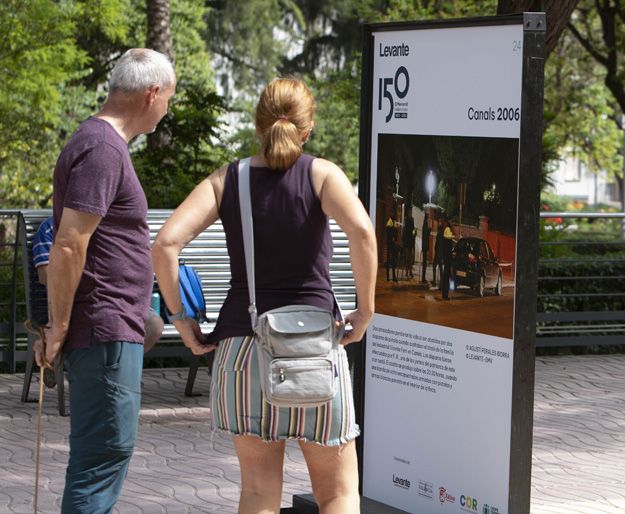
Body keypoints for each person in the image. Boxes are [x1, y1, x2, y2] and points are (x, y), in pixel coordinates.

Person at [152, 77, 376, 514]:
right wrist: (364, 311)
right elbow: (362, 232)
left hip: (242, 352)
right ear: (307, 129)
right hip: (314, 349)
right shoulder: (323, 175)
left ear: (258, 125)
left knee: (257, 492)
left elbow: (164, 244)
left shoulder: (226, 180)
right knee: (337, 492)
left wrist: (182, 321)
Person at [33, 48, 175, 513]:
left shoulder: (98, 143)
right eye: (168, 99)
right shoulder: (102, 148)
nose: (167, 109)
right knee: (102, 459)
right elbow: (69, 243)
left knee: (99, 459)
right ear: (151, 93)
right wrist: (56, 327)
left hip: (109, 329)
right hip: (104, 331)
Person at [33, 216, 164, 353]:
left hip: (119, 298)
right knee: (108, 321)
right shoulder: (51, 227)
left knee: (154, 324)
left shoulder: (108, 226)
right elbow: (45, 275)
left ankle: (120, 367)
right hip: (76, 302)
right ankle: (100, 369)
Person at [439, 218, 455, 300]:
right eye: (452, 222)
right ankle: (445, 295)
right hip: (447, 257)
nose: (453, 224)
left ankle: (445, 294)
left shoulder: (447, 230)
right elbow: (449, 243)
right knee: (446, 276)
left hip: (446, 257)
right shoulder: (448, 230)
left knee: (446, 276)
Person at [402, 211, 416, 279]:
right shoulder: (406, 222)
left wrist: (414, 233)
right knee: (408, 258)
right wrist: (404, 240)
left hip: (410, 242)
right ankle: (407, 272)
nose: (411, 215)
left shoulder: (411, 222)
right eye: (410, 213)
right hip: (408, 243)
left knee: (410, 258)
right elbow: (404, 232)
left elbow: (413, 231)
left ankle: (409, 272)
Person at [385, 214, 399, 282]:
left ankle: (393, 276)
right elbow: (388, 232)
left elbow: (396, 232)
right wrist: (392, 239)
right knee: (389, 261)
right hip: (390, 244)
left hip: (393, 244)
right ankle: (388, 277)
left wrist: (396, 239)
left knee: (393, 261)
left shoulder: (394, 222)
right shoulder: (389, 222)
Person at [420, 213, 430, 284]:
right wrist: (429, 230)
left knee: (424, 263)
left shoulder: (424, 224)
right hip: (425, 246)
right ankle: (423, 278)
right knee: (424, 263)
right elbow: (426, 236)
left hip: (424, 246)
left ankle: (423, 278)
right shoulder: (425, 225)